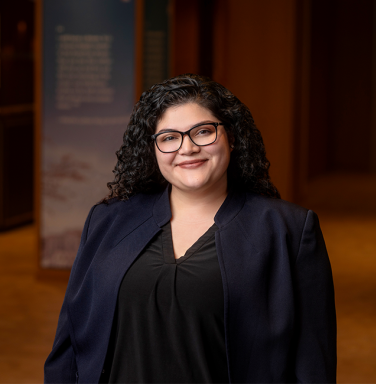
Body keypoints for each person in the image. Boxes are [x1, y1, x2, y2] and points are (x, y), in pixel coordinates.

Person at [44, 74, 336, 384]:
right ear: (153, 149)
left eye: (203, 131)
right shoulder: (107, 221)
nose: (188, 148)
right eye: (169, 137)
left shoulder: (289, 231)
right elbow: (68, 346)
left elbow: (312, 365)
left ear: (232, 138)